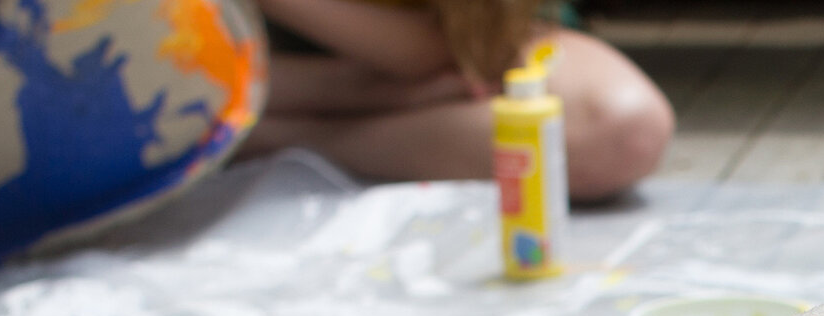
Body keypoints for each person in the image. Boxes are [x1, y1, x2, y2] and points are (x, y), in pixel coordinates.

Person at [241, 0, 673, 200]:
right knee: (206, 98)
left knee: (624, 132)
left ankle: (291, 139)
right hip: (258, 72)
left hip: (468, 52)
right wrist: (371, 89)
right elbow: (199, 76)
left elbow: (468, 45)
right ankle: (273, 135)